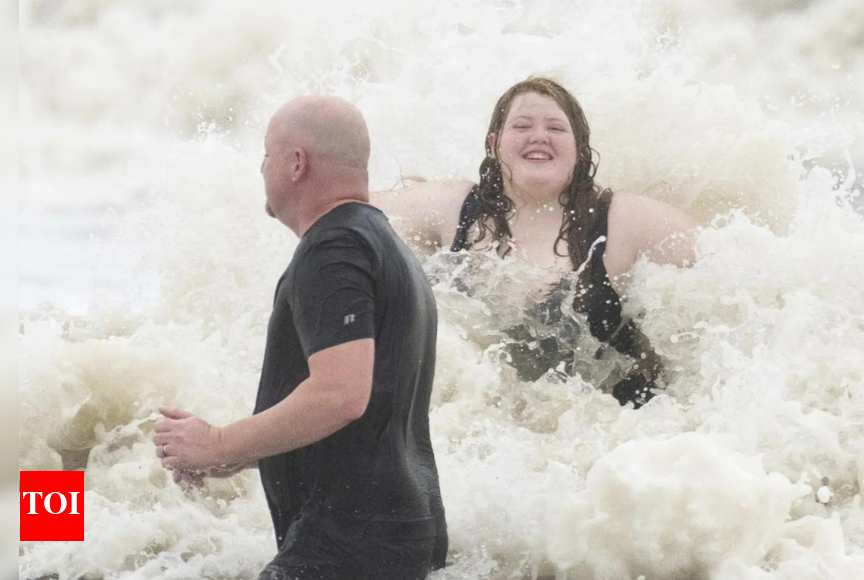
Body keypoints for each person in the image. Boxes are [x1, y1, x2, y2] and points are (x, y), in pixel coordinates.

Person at [153, 96, 447, 580]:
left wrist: (218, 442)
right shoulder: (382, 243)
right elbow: (367, 416)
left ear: (296, 163)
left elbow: (341, 396)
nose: (261, 168)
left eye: (267, 154)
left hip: (347, 544)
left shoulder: (334, 248)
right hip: (393, 535)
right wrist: (240, 454)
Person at [372, 77, 699, 407]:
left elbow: (727, 260)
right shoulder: (452, 207)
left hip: (612, 421)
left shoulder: (624, 221)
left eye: (556, 128)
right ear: (494, 142)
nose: (539, 136)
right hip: (482, 418)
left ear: (580, 149)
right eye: (522, 126)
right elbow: (351, 211)